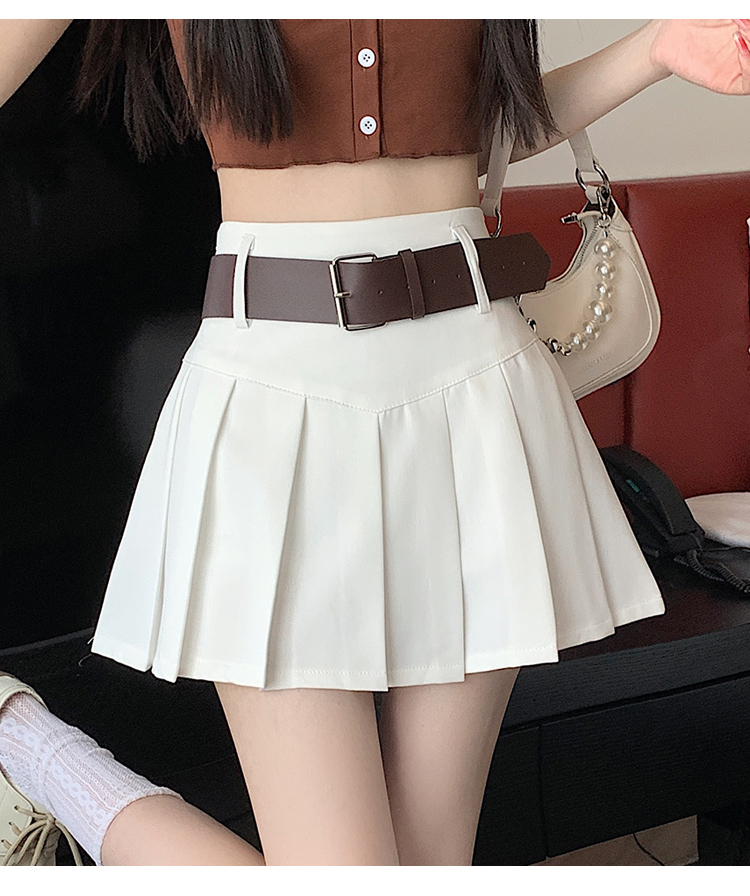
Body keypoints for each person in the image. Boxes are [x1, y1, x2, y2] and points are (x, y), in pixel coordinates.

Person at [1, 18, 749, 868]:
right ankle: (36, 749)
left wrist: (657, 49)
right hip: (272, 404)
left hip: (475, 387)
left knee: (432, 863)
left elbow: (485, 124)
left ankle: (26, 745)